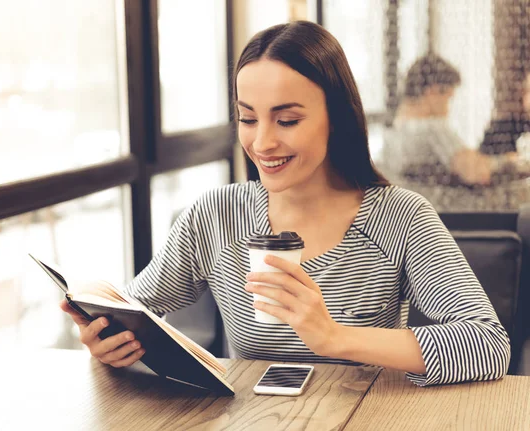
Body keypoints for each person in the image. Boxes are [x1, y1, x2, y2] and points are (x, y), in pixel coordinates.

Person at [61, 21, 510, 386]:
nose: (262, 142)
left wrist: (334, 337)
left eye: (288, 119)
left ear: (336, 116)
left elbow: (488, 345)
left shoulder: (400, 216)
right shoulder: (216, 216)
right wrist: (106, 336)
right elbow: (137, 308)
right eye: (248, 118)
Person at [382, 54, 515, 186]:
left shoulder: (391, 135)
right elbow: (475, 172)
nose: (448, 109)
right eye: (448, 98)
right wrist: (508, 161)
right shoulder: (431, 128)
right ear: (433, 91)